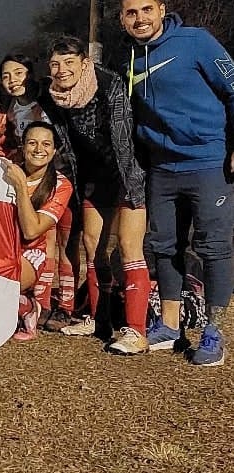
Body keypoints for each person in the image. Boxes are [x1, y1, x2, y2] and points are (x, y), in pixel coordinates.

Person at [120, 0, 234, 365]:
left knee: (213, 246)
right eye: (131, 13)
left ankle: (213, 331)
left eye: (146, 9)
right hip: (161, 168)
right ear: (122, 19)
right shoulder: (130, 58)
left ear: (162, 9)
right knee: (163, 246)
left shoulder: (196, 41)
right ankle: (170, 325)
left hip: (207, 161)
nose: (140, 19)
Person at [45, 36, 151, 354]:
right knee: (93, 245)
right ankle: (98, 317)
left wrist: (130, 187)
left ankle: (136, 331)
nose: (62, 70)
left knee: (130, 246)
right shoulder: (54, 95)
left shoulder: (108, 84)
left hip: (127, 168)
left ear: (84, 63)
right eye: (55, 64)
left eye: (69, 62)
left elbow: (122, 136)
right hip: (93, 174)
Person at [0, 53, 78, 331]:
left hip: (61, 175)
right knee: (43, 238)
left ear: (30, 74)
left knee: (64, 243)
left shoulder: (47, 101)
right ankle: (39, 304)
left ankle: (63, 306)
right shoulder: (10, 107)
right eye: (6, 75)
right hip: (31, 172)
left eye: (18, 73)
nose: (12, 80)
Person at [3, 122, 74, 340]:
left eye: (46, 144)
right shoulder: (5, 171)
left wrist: (21, 188)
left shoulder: (61, 186)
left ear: (53, 151)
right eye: (32, 143)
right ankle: (19, 305)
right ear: (22, 147)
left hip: (30, 253)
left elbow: (32, 230)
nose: (38, 150)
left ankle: (28, 307)